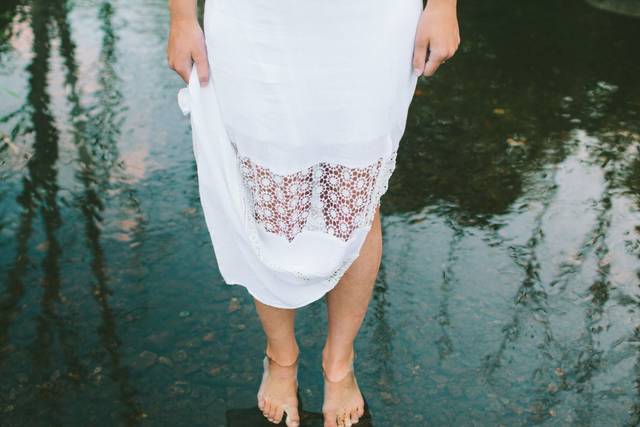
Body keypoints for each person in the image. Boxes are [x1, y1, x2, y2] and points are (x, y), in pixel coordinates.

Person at [167, 1, 459, 426]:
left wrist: (444, 5)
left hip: (371, 23)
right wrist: (180, 16)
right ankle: (280, 357)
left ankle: (339, 362)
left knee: (356, 196)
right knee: (268, 198)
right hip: (256, 22)